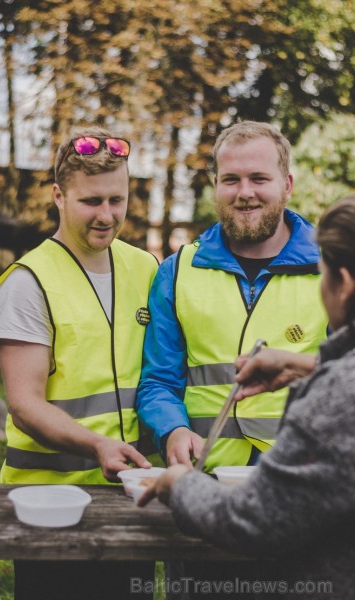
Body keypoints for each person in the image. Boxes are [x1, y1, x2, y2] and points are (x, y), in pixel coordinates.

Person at [139, 195, 355, 599]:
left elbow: (257, 519)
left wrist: (180, 487)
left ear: (343, 285)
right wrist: (308, 367)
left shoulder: (331, 401)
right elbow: (158, 380)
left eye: (322, 276)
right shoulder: (178, 270)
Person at [0, 127, 160, 600]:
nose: (107, 216)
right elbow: (24, 403)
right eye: (92, 202)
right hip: (50, 506)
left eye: (117, 200)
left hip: (130, 496)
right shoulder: (28, 282)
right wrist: (98, 446)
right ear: (59, 196)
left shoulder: (146, 267)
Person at [136, 120, 328, 473]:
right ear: (215, 186)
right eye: (231, 179)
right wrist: (172, 429)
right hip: (205, 476)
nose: (244, 192)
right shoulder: (176, 272)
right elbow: (159, 380)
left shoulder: (335, 267)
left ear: (287, 186)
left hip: (304, 480)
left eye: (259, 178)